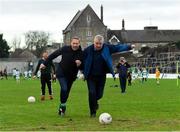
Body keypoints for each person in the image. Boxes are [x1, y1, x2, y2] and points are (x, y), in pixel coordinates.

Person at [83, 35, 134, 117]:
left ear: (103, 43)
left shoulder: (107, 48)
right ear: (94, 42)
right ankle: (93, 112)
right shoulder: (88, 50)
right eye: (97, 43)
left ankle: (94, 102)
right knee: (92, 93)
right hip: (91, 76)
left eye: (100, 44)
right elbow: (81, 59)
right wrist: (82, 71)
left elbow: (118, 47)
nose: (98, 45)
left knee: (99, 95)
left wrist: (128, 46)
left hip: (102, 75)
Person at [40, 36, 83, 116]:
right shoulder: (65, 49)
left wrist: (80, 64)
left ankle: (62, 106)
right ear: (71, 43)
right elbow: (53, 55)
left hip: (71, 76)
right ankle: (63, 107)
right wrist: (44, 64)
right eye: (73, 43)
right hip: (61, 73)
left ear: (79, 44)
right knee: (64, 88)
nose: (75, 45)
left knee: (66, 93)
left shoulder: (81, 53)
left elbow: (83, 66)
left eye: (76, 43)